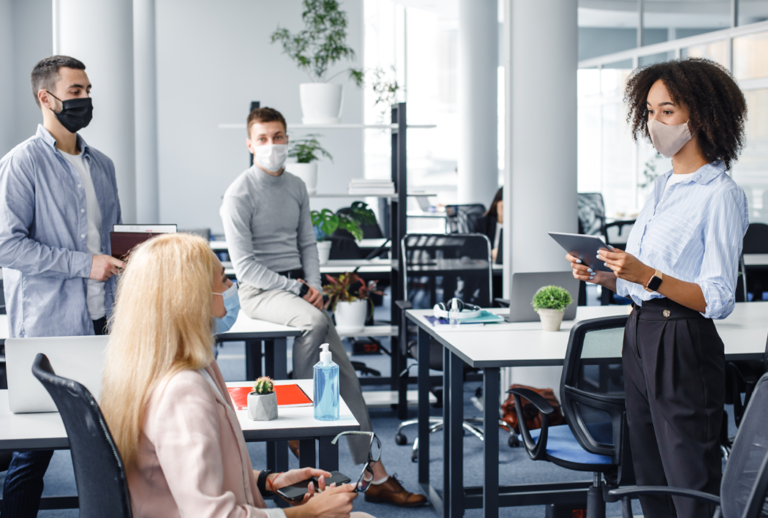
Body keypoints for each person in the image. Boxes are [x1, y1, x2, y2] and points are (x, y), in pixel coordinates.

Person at [566, 58, 748, 518]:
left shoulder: (720, 193)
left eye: (667, 111)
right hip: (640, 331)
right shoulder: (663, 186)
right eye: (649, 111)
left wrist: (646, 274)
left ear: (703, 115)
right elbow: (646, 283)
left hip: (682, 338)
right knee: (645, 468)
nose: (654, 123)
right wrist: (607, 274)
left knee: (688, 473)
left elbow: (717, 297)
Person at [220, 107, 427, 507]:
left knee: (343, 371)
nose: (272, 145)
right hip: (260, 291)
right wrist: (296, 288)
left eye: (278, 137)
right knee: (316, 326)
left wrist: (313, 285)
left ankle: (374, 470)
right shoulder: (238, 193)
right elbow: (244, 266)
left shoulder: (296, 185)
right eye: (262, 139)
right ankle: (304, 418)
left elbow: (307, 245)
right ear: (249, 144)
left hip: (297, 287)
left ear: (287, 139)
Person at [100, 233, 372, 518]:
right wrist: (305, 514)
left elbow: (195, 471)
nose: (233, 288)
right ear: (193, 298)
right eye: (225, 280)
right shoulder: (182, 391)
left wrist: (269, 481)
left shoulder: (163, 365)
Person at [0, 55, 124, 517]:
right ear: (44, 97)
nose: (85, 99)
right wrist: (82, 264)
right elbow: (5, 246)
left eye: (87, 89)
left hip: (102, 319)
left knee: (112, 440)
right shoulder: (20, 164)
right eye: (75, 91)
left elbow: (111, 238)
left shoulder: (103, 165)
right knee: (36, 448)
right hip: (50, 323)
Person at [481, 187, 503, 263]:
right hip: (488, 266)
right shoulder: (483, 223)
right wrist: (490, 253)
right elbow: (472, 251)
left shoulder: (518, 227)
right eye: (503, 207)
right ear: (496, 203)